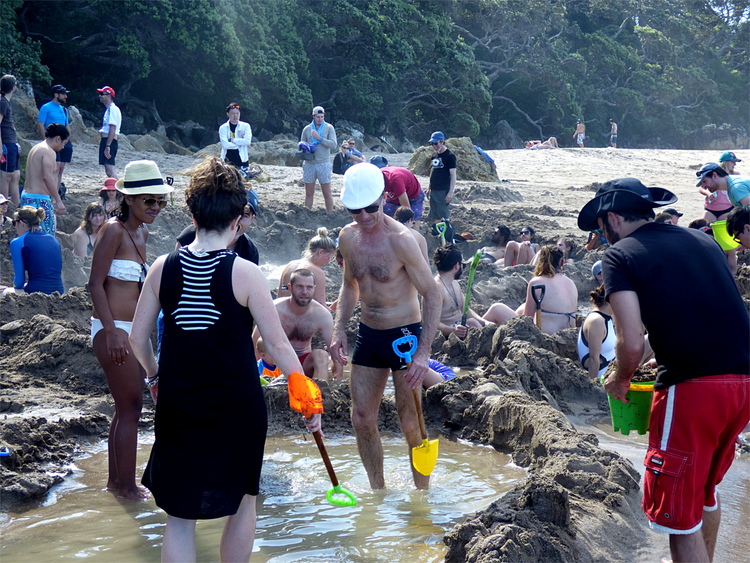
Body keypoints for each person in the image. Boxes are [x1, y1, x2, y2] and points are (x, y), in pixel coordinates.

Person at [129, 156, 319, 562]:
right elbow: (278, 346)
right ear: (237, 218)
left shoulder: (163, 267)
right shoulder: (247, 273)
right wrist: (304, 391)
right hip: (237, 406)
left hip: (180, 403)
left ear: (191, 212)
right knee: (243, 502)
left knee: (180, 517)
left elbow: (137, 338)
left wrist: (154, 377)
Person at [577, 176, 749, 563]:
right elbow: (704, 308)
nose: (602, 236)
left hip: (693, 390)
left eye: (601, 227)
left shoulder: (619, 256)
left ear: (613, 218)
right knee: (705, 494)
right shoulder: (701, 240)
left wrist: (620, 379)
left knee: (677, 519)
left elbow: (630, 341)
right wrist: (661, 348)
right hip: (743, 383)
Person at [331, 163, 441, 490]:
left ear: (383, 198)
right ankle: (377, 492)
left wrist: (423, 353)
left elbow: (432, 294)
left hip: (404, 337)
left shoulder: (402, 240)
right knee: (361, 418)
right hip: (368, 334)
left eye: (371, 208)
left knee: (410, 422)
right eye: (355, 210)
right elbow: (350, 285)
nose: (363, 216)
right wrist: (338, 329)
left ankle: (423, 498)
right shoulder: (347, 237)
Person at [88, 159, 172, 501]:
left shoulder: (142, 232)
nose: (156, 207)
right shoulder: (112, 230)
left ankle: (116, 483)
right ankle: (126, 487)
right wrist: (112, 332)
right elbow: (94, 285)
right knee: (131, 409)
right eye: (148, 201)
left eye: (160, 201)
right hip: (112, 331)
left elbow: (138, 287)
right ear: (129, 200)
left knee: (126, 408)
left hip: (131, 332)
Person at [268, 268, 336, 381]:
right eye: (299, 286)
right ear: (290, 287)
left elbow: (334, 352)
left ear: (314, 289)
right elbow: (255, 345)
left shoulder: (322, 314)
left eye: (309, 287)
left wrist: (337, 379)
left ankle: (319, 396)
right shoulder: (274, 309)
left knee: (321, 355)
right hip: (277, 362)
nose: (305, 292)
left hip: (303, 362)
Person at [434, 244, 516, 339]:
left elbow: (466, 311)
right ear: (457, 266)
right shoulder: (436, 289)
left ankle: (524, 332)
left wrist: (484, 322)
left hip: (464, 327)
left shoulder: (454, 283)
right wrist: (453, 330)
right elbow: (430, 322)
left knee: (497, 308)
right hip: (450, 337)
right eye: (463, 265)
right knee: (472, 322)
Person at [177, 188, 260, 265]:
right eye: (233, 214)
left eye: (245, 215)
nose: (237, 221)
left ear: (251, 219)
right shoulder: (189, 236)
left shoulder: (250, 251)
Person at [20, 123, 69, 234]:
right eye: (64, 143)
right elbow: (47, 177)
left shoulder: (36, 148)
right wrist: (58, 200)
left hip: (26, 197)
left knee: (28, 235)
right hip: (39, 200)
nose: (63, 147)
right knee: (46, 235)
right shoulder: (49, 151)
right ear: (58, 139)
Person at [3, 206, 63, 296]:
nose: (14, 227)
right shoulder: (53, 239)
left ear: (22, 223)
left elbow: (19, 281)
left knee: (4, 293)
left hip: (36, 293)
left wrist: (10, 287)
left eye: (15, 223)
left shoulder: (17, 242)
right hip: (59, 291)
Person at [520, 245, 578, 334]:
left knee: (496, 308)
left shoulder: (537, 283)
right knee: (522, 307)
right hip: (570, 336)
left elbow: (527, 318)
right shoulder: (571, 282)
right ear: (562, 262)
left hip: (547, 337)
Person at [277, 227, 336, 306]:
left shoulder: (290, 265)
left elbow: (282, 290)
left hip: (284, 312)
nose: (328, 262)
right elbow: (320, 304)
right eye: (328, 257)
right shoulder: (318, 273)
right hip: (303, 315)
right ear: (320, 252)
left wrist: (289, 289)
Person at [300, 106, 337, 212]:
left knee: (327, 192)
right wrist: (305, 147)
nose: (320, 119)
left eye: (322, 117)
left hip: (323, 163)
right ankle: (307, 214)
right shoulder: (307, 129)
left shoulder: (329, 128)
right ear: (313, 116)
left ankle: (330, 214)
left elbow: (334, 145)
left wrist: (319, 138)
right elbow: (302, 143)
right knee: (309, 193)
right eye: (318, 117)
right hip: (309, 163)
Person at [37, 85, 73, 192]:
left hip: (64, 141)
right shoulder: (46, 107)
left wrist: (68, 139)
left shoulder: (64, 109)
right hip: (53, 141)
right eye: (63, 94)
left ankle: (56, 194)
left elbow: (67, 125)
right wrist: (46, 140)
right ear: (56, 94)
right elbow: (40, 124)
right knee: (55, 167)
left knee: (61, 168)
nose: (65, 96)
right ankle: (50, 193)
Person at [577, 285, 616, 382]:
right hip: (604, 375)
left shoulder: (608, 316)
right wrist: (593, 389)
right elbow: (593, 359)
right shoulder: (597, 321)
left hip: (613, 367)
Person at [426, 131, 456, 222]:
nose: (434, 146)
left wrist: (450, 193)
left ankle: (446, 235)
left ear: (442, 142)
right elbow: (433, 171)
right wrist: (429, 188)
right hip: (434, 190)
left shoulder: (450, 156)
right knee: (435, 215)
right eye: (432, 144)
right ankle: (440, 235)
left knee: (443, 216)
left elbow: (453, 175)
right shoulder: (434, 155)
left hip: (443, 190)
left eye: (436, 143)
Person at [1, 74, 21, 205]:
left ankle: (16, 206)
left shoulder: (6, 102)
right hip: (6, 144)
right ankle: (3, 206)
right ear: (13, 88)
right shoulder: (2, 102)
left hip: (11, 143)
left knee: (15, 175)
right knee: (6, 176)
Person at [219, 103, 252, 173]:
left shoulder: (245, 126)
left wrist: (233, 140)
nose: (235, 116)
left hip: (242, 160)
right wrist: (240, 144)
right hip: (227, 160)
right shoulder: (223, 128)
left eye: (237, 113)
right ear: (228, 114)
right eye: (233, 113)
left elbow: (247, 141)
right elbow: (225, 145)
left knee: (244, 182)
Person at [97, 86, 121, 179]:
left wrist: (107, 146)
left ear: (109, 96)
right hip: (107, 140)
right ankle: (117, 190)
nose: (100, 96)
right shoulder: (109, 109)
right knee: (108, 170)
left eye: (102, 94)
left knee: (110, 169)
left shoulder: (113, 109)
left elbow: (112, 128)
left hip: (109, 141)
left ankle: (118, 191)